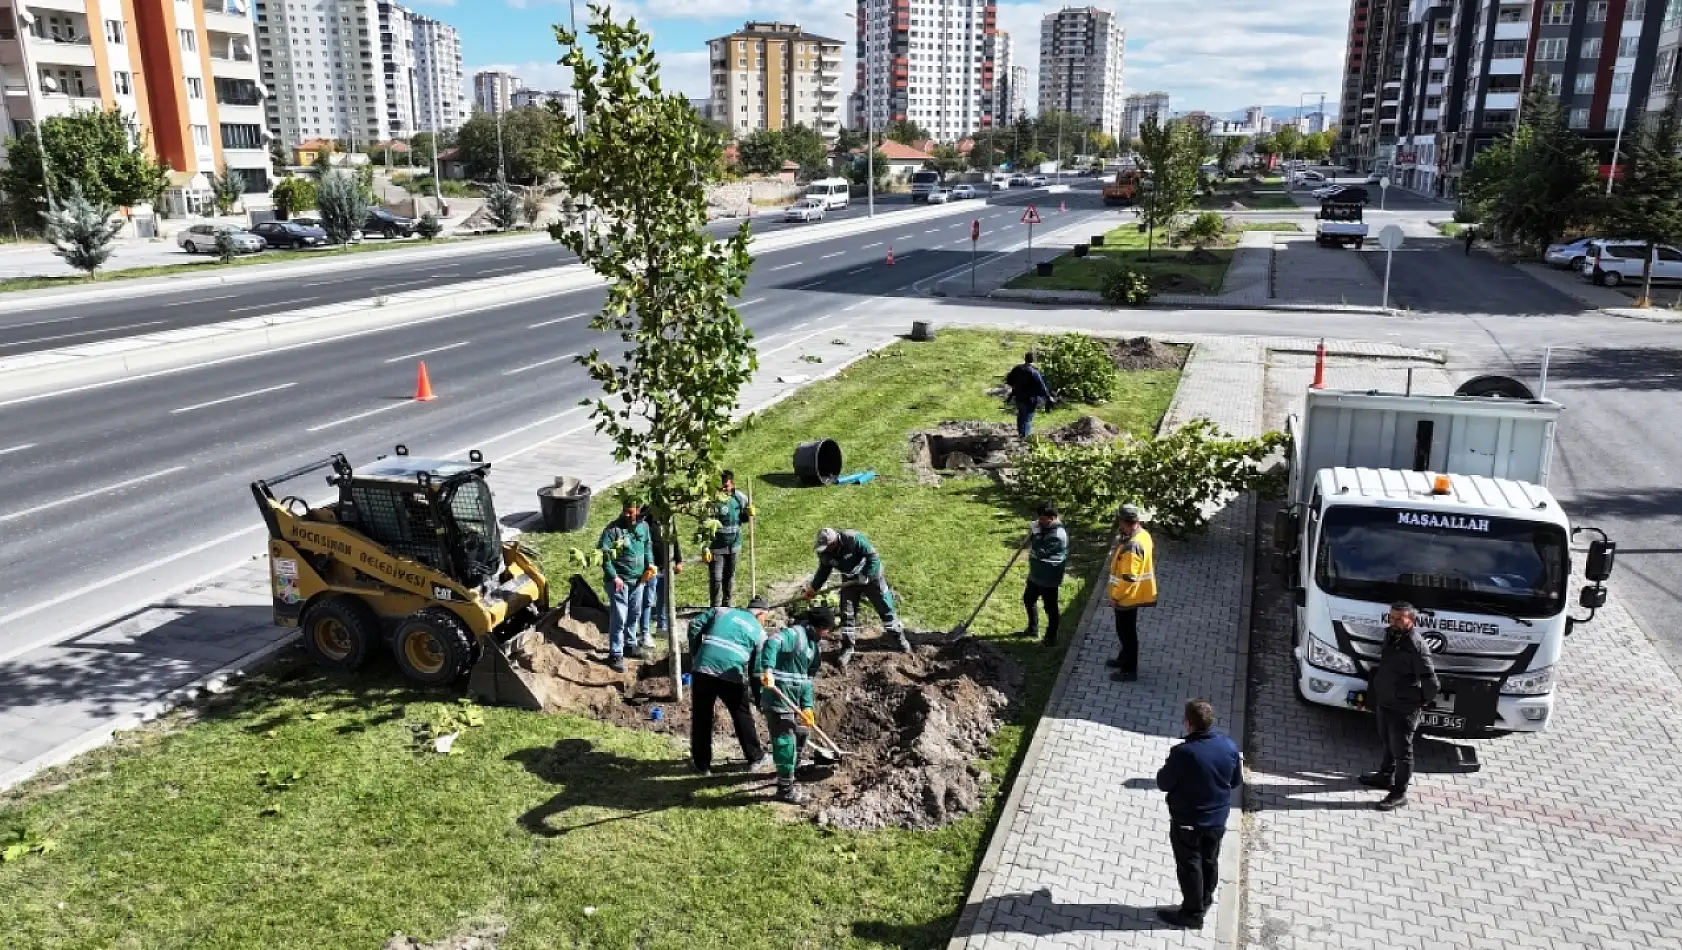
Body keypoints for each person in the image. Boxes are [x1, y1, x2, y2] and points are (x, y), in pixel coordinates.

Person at [1155, 699, 1244, 930]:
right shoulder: (1229, 746)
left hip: (1189, 822)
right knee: (1209, 859)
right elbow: (1235, 781)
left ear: (1188, 724)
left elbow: (1163, 782)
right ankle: (1205, 899)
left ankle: (1192, 915)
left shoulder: (1183, 753)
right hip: (1217, 820)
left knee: (1190, 866)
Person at [1360, 601, 1440, 811]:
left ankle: (1399, 793)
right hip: (1385, 700)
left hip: (1403, 708)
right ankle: (1385, 776)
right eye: (1391, 617)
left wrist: (1417, 702)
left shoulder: (1416, 646)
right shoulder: (1392, 635)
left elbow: (1432, 683)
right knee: (1386, 740)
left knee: (1402, 751)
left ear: (1411, 620)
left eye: (1399, 618)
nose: (1393, 622)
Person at [754, 606, 836, 804]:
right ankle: (785, 789)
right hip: (777, 698)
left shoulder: (814, 648)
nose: (828, 634)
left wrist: (807, 707)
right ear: (820, 626)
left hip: (793, 701)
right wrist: (768, 670)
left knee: (801, 732)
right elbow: (773, 642)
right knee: (785, 741)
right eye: (828, 629)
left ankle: (792, 768)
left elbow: (807, 680)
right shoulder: (795, 634)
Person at [686, 598, 770, 777]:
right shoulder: (760, 633)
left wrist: (697, 654)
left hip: (703, 668)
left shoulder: (721, 611)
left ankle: (702, 765)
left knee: (702, 715)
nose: (765, 622)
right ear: (760, 614)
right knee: (741, 714)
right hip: (730, 675)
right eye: (766, 618)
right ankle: (755, 758)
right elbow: (756, 671)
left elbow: (694, 624)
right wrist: (759, 697)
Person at [803, 527, 909, 667]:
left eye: (827, 547)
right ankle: (847, 647)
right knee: (847, 613)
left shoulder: (853, 539)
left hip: (872, 579)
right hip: (849, 582)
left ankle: (901, 641)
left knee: (885, 608)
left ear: (835, 542)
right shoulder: (825, 554)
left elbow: (873, 557)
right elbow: (824, 570)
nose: (825, 550)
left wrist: (867, 574)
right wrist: (814, 587)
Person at [597, 497, 654, 672]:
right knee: (619, 616)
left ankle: (630, 645)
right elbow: (604, 555)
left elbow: (647, 548)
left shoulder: (643, 528)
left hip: (638, 581)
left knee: (634, 613)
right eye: (626, 511)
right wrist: (614, 577)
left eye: (632, 511)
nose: (629, 515)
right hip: (619, 581)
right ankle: (615, 653)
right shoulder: (612, 530)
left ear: (638, 510)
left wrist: (650, 565)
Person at [1106, 504, 1157, 682]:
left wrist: (1115, 596)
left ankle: (1129, 670)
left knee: (1126, 633)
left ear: (1123, 521)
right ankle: (1123, 659)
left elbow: (1128, 578)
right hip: (1134, 594)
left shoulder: (1132, 546)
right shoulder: (1143, 535)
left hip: (1127, 597)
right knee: (1126, 631)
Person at [637, 503, 683, 650]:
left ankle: (662, 625)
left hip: (666, 565)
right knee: (648, 600)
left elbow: (674, 538)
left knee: (663, 597)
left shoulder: (668, 519)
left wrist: (679, 559)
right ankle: (645, 632)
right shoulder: (645, 521)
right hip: (651, 567)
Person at [1020, 502, 1068, 644]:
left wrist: (1036, 534)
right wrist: (1036, 532)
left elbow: (1042, 552)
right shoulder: (1043, 527)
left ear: (1052, 518)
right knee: (1028, 599)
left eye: (1042, 519)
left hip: (1048, 577)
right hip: (1036, 574)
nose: (1039, 521)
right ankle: (1032, 628)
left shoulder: (1058, 535)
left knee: (1050, 608)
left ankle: (1050, 638)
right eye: (1038, 518)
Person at [705, 471, 754, 608]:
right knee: (716, 578)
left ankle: (727, 605)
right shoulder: (713, 501)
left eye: (726, 486)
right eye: (721, 486)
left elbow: (743, 517)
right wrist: (705, 547)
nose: (723, 489)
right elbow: (704, 524)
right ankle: (714, 607)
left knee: (729, 577)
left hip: (734, 546)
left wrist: (749, 514)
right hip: (717, 547)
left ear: (732, 484)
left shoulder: (739, 498)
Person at [1004, 351, 1056, 440]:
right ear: (1034, 360)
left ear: (1025, 358)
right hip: (1030, 399)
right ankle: (1024, 438)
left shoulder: (1017, 368)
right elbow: (1042, 387)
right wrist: (1048, 398)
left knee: (1021, 416)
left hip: (1019, 397)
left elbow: (1009, 380)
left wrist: (1015, 388)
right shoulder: (1034, 372)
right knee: (1027, 419)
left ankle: (1021, 434)